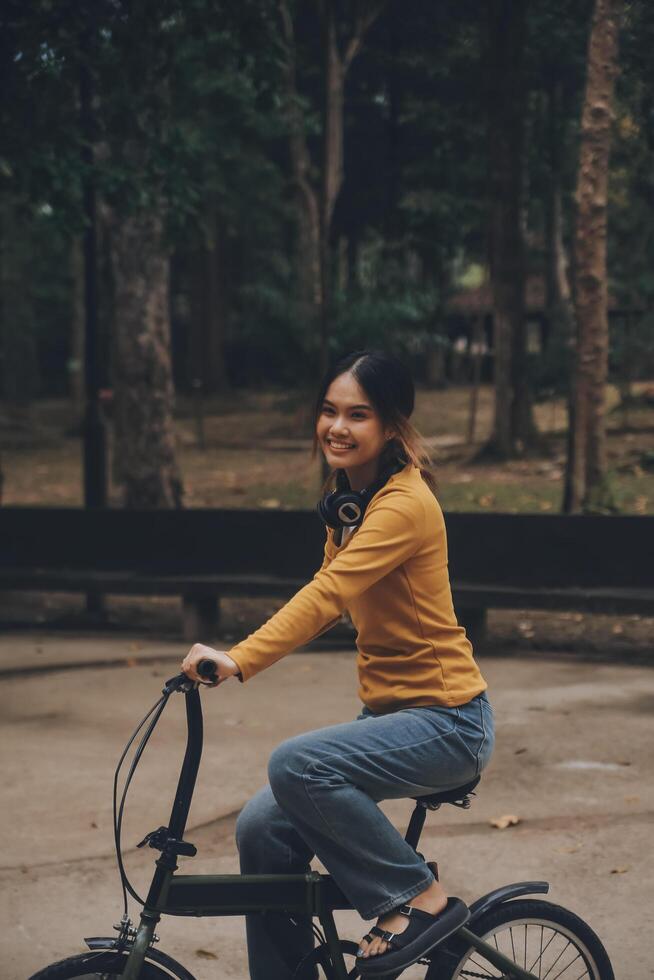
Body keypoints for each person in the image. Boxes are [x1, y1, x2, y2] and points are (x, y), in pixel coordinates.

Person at [181, 349, 494, 978]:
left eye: (358, 414)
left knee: (296, 762)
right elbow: (333, 597)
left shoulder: (402, 505)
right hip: (393, 718)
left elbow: (326, 593)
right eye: (329, 411)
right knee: (261, 827)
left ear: (392, 428)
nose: (337, 427)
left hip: (450, 722)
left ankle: (418, 898)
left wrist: (239, 659)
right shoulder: (350, 502)